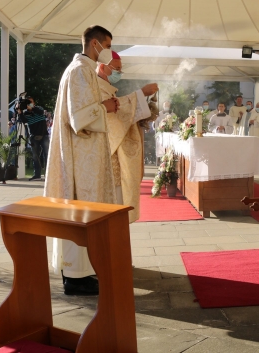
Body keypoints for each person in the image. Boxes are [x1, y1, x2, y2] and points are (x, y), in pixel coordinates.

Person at [45, 25, 120, 296]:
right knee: (81, 208)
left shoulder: (84, 69)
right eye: (107, 45)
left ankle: (82, 272)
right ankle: (75, 277)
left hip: (85, 153)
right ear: (95, 44)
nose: (109, 51)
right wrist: (105, 107)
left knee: (86, 210)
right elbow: (79, 117)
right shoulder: (79, 70)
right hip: (80, 156)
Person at [96, 51, 157, 223]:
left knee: (118, 202)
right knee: (112, 204)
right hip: (107, 154)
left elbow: (120, 112)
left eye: (120, 70)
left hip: (114, 154)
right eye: (116, 69)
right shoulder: (96, 88)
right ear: (102, 67)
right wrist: (141, 93)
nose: (119, 73)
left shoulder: (107, 88)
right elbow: (114, 115)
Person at [18, 96, 49, 181]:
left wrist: (32, 107)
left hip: (44, 135)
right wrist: (20, 112)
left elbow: (41, 112)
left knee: (47, 154)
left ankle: (48, 174)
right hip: (34, 137)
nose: (29, 103)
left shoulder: (39, 108)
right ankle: (37, 175)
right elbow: (23, 121)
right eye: (28, 102)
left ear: (34, 102)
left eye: (31, 102)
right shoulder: (25, 113)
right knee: (35, 156)